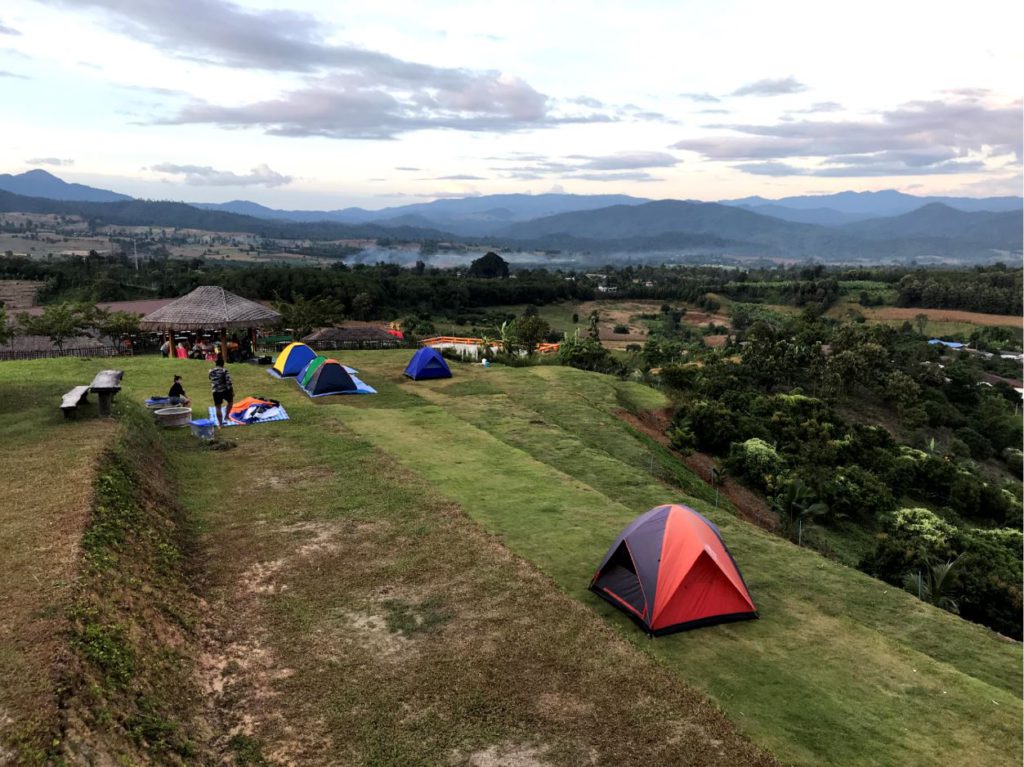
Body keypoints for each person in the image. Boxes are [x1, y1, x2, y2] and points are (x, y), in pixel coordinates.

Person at [209, 357, 234, 427]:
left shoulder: (210, 371)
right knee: (231, 402)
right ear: (223, 364)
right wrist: (231, 391)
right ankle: (226, 416)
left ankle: (220, 424)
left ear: (216, 364)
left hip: (215, 391)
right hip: (225, 390)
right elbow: (229, 382)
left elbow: (211, 379)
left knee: (218, 408)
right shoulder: (224, 371)